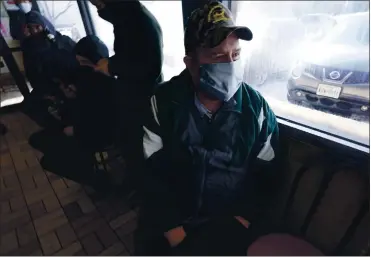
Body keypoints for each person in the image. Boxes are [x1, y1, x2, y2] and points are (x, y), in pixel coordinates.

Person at [137, 1, 280, 255]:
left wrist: (242, 219)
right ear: (190, 63)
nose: (230, 65)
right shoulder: (162, 103)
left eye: (235, 55)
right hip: (176, 221)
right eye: (217, 56)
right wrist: (171, 227)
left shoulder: (256, 110)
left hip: (229, 222)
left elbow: (267, 172)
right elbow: (150, 170)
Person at [89, 0, 164, 193]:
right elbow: (131, 55)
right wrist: (112, 62)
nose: (99, 12)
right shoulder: (126, 16)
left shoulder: (138, 20)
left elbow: (150, 66)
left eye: (99, 5)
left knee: (138, 146)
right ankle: (136, 182)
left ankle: (143, 189)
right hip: (133, 93)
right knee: (129, 143)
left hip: (142, 97)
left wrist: (112, 67)